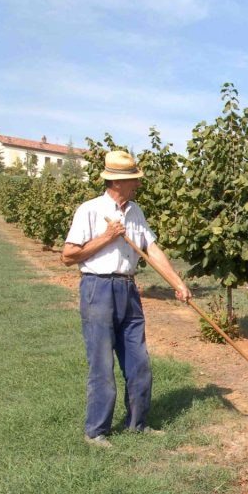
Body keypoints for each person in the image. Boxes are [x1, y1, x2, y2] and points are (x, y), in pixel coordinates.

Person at [61, 150, 192, 447]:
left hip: (128, 289)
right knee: (102, 363)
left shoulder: (136, 211)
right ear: (117, 182)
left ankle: (137, 424)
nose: (138, 184)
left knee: (139, 360)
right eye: (134, 179)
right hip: (98, 288)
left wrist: (178, 283)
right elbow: (67, 256)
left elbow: (153, 249)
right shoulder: (90, 210)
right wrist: (107, 237)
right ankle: (96, 431)